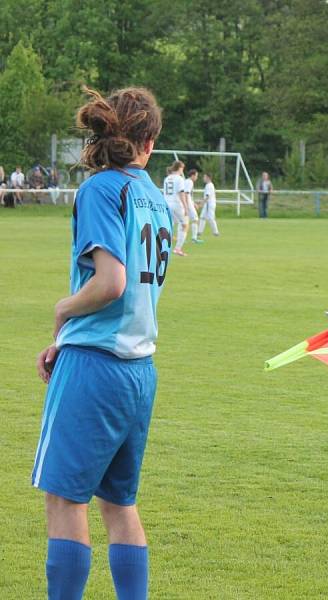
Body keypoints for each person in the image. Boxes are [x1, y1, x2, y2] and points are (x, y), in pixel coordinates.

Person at [32, 86, 170, 600]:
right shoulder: (156, 196)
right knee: (120, 504)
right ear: (149, 141)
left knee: (65, 500)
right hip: (139, 369)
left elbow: (110, 282)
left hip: (95, 366)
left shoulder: (100, 189)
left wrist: (63, 311)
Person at [163, 160, 188, 256]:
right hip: (176, 204)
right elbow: (181, 193)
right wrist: (186, 207)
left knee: (171, 224)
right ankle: (178, 248)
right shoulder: (179, 178)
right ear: (180, 168)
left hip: (167, 204)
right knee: (184, 224)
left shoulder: (167, 178)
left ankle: (163, 245)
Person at [182, 168, 202, 243]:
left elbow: (188, 195)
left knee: (185, 220)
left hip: (188, 203)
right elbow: (186, 194)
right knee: (195, 219)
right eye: (196, 176)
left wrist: (194, 204)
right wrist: (188, 205)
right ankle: (194, 238)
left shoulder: (186, 181)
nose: (197, 177)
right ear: (193, 175)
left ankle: (183, 238)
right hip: (187, 203)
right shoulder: (190, 182)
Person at [199, 172, 220, 237]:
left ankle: (216, 232)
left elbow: (207, 196)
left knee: (210, 218)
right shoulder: (209, 185)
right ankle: (199, 232)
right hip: (208, 204)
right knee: (202, 217)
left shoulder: (209, 185)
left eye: (204, 177)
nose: (203, 178)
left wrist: (202, 203)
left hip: (209, 204)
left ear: (208, 178)